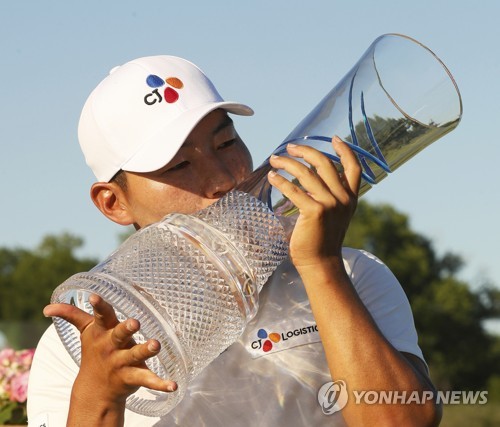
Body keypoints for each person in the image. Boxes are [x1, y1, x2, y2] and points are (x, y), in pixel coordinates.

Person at [27, 55, 441, 427]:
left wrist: (321, 268)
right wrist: (99, 393)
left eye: (226, 143)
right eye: (180, 165)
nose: (224, 179)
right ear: (113, 202)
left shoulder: (351, 274)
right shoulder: (85, 345)